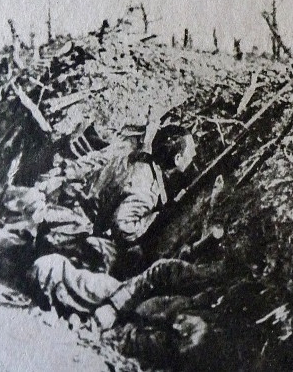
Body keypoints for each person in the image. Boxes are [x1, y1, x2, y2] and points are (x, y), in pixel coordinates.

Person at [35, 125, 197, 273]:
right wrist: (154, 219)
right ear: (177, 159)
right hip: (72, 232)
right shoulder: (147, 189)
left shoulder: (136, 156)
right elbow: (123, 227)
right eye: (190, 154)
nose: (193, 157)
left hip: (64, 208)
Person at [29, 253, 220, 367]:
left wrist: (107, 332)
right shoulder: (207, 284)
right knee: (51, 268)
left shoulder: (193, 347)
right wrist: (114, 307)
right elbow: (161, 271)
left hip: (125, 333)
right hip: (126, 300)